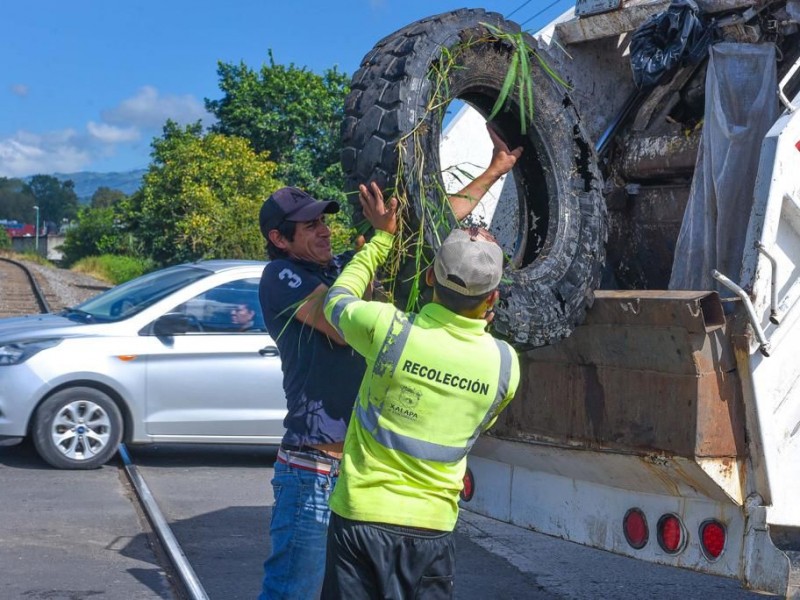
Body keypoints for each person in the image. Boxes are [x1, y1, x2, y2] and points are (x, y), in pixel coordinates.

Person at [257, 124, 522, 600]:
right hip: (314, 468)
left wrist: (494, 171)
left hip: (355, 477)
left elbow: (435, 235)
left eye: (324, 221)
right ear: (279, 238)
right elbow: (336, 321)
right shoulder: (281, 276)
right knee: (292, 592)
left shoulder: (343, 267)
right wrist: (376, 255)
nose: (324, 230)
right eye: (310, 226)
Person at [321, 183, 521, 599]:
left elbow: (336, 300)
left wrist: (381, 239)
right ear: (493, 298)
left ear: (430, 276)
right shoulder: (505, 366)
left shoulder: (389, 329)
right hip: (432, 532)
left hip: (361, 519)